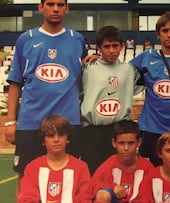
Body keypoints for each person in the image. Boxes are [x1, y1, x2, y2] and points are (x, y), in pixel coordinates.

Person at [5, 0, 86, 177]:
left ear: (67, 8)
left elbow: (85, 78)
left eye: (60, 4)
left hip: (68, 122)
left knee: (69, 178)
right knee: (26, 177)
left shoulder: (77, 40)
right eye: (50, 4)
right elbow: (15, 82)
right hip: (31, 122)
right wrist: (11, 121)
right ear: (40, 7)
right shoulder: (26, 39)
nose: (55, 9)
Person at [129, 11, 170, 168]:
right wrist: (98, 59)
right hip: (151, 127)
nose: (169, 35)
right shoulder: (146, 57)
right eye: (165, 31)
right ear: (158, 34)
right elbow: (118, 71)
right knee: (149, 175)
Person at [80, 25, 143, 174]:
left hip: (119, 130)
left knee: (120, 174)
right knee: (93, 174)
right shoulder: (88, 68)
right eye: (106, 46)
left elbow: (145, 82)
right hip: (92, 130)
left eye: (115, 46)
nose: (111, 50)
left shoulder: (129, 70)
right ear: (99, 48)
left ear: (122, 46)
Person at [18, 115, 92, 203]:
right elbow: (27, 197)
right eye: (51, 135)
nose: (56, 139)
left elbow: (85, 198)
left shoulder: (81, 167)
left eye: (61, 135)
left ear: (67, 138)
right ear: (43, 140)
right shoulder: (32, 168)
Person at [91, 120, 154, 203]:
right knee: (102, 194)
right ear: (114, 143)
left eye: (131, 143)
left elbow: (150, 197)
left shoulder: (147, 168)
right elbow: (91, 186)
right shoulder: (109, 164)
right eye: (121, 143)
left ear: (139, 142)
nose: (126, 148)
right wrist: (113, 187)